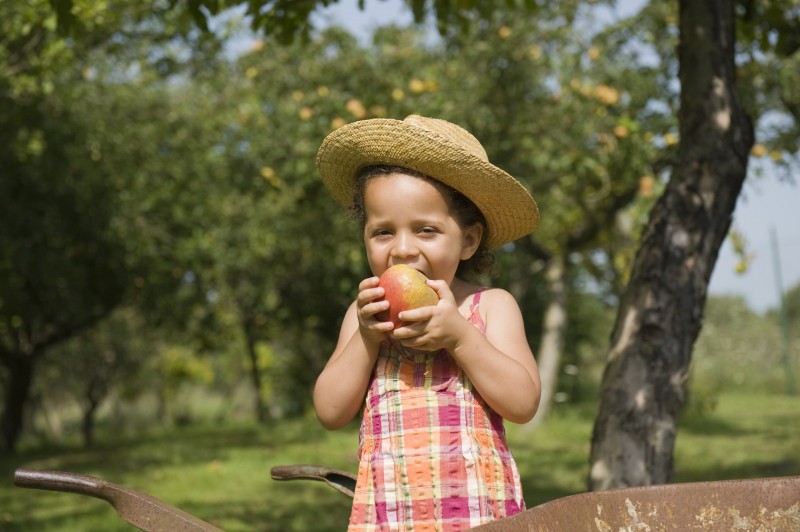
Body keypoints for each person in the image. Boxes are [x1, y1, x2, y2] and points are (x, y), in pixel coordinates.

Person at [313, 115, 541, 531]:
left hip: (477, 515)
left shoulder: (488, 307)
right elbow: (330, 411)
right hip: (388, 517)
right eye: (383, 232)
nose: (402, 249)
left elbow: (523, 403)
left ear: (468, 240)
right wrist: (365, 338)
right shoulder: (365, 315)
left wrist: (461, 337)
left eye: (426, 230)